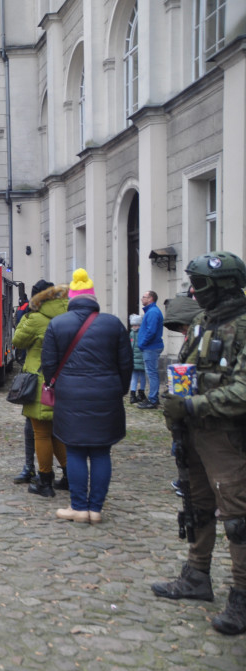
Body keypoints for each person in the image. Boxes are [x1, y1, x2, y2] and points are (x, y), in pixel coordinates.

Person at [154, 251, 246, 636]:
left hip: (228, 437)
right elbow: (186, 368)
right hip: (194, 432)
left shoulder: (242, 326)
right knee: (198, 506)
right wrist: (175, 403)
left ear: (222, 285)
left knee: (238, 519)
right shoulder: (201, 323)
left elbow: (243, 390)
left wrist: (191, 403)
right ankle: (196, 576)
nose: (194, 291)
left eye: (201, 285)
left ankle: (241, 597)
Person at [42, 268, 132, 523]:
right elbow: (125, 364)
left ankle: (79, 507)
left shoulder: (57, 324)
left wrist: (54, 385)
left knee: (76, 452)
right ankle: (96, 509)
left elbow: (49, 365)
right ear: (94, 301)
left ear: (72, 300)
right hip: (107, 394)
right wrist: (120, 390)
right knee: (102, 453)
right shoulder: (113, 323)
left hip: (70, 394)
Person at [11, 280, 69, 497]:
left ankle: (44, 481)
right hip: (63, 380)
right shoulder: (68, 316)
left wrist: (27, 315)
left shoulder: (36, 318)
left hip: (41, 382)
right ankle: (69, 475)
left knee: (41, 433)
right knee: (57, 434)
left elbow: (17, 340)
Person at [137, 290, 164, 409]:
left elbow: (151, 331)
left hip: (151, 347)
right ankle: (153, 398)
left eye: (144, 297)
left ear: (150, 299)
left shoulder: (152, 312)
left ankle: (153, 400)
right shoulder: (151, 311)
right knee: (151, 373)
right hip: (150, 347)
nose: (142, 298)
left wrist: (142, 343)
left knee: (151, 373)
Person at [128, 314, 146, 404]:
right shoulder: (131, 333)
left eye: (136, 325)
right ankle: (132, 394)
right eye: (133, 325)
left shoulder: (142, 333)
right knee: (134, 377)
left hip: (141, 359)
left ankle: (141, 392)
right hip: (134, 359)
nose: (134, 327)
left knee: (142, 376)